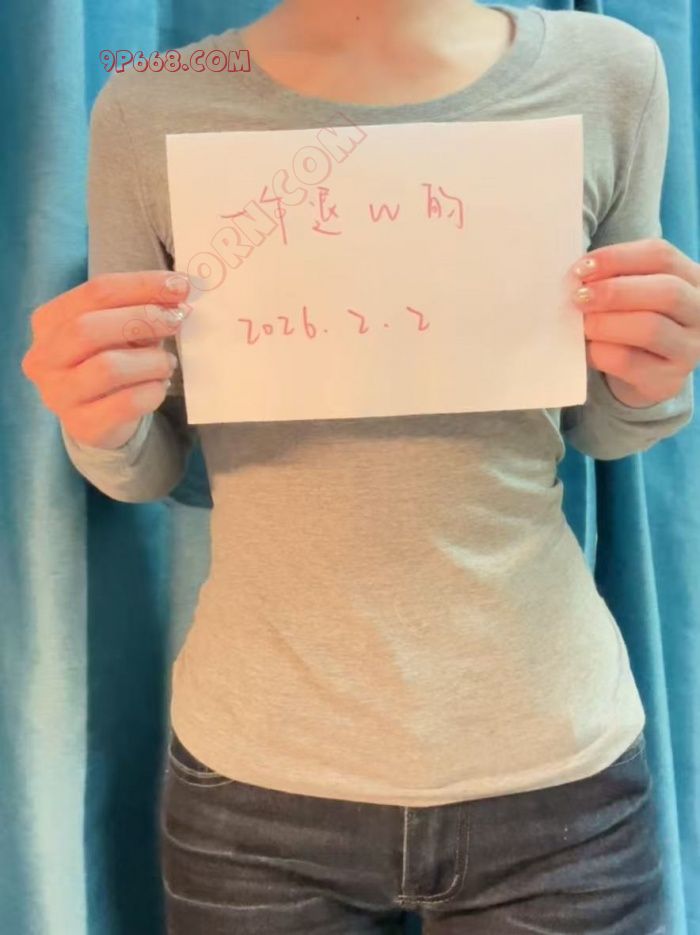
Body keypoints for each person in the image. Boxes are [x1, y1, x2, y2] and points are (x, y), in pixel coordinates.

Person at [21, 1, 699, 932]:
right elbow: (152, 467)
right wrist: (98, 417)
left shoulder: (611, 73)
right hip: (254, 792)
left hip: (557, 775)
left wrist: (653, 378)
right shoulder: (153, 106)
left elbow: (603, 430)